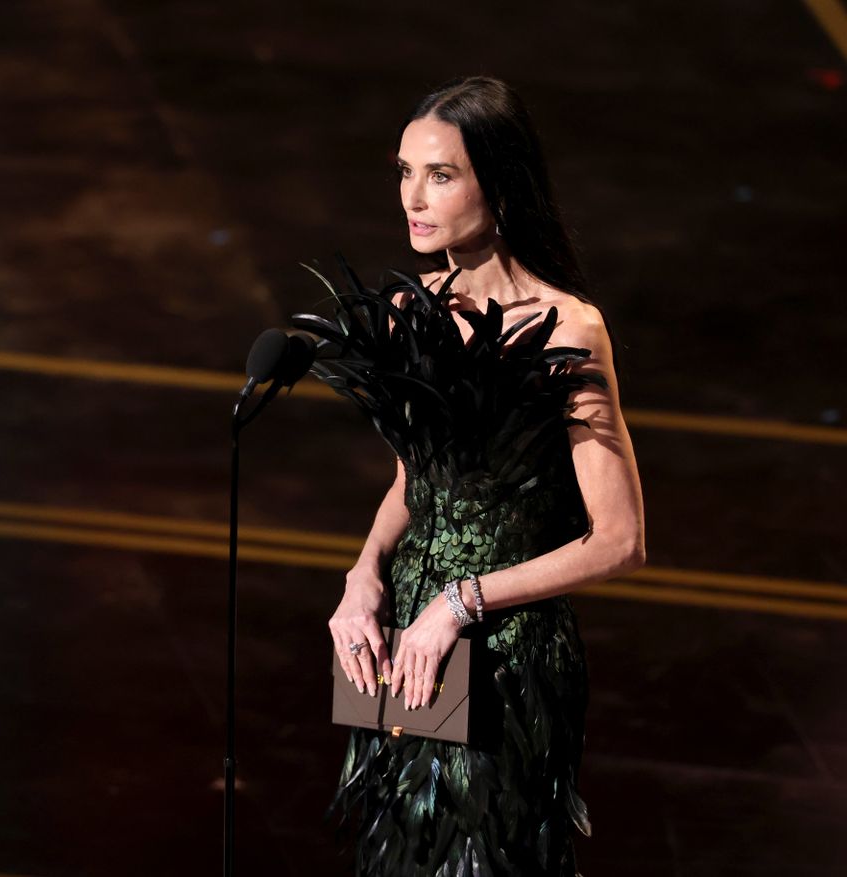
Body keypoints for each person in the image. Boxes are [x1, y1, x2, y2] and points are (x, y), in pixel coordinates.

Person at [318, 76, 646, 876]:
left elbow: (621, 540)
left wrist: (461, 603)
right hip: (407, 653)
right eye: (404, 172)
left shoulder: (569, 326)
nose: (413, 198)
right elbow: (416, 481)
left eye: (440, 174)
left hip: (507, 659)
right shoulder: (414, 311)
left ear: (498, 184)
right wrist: (363, 574)